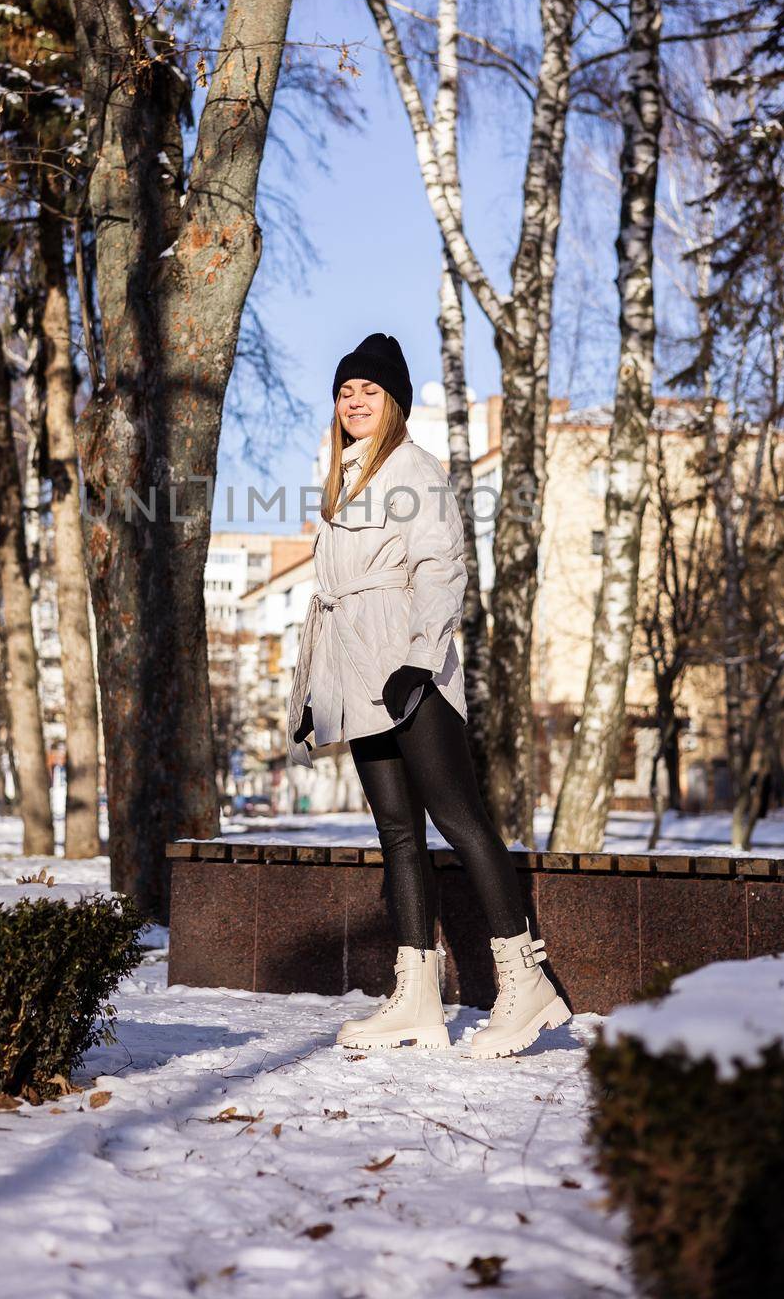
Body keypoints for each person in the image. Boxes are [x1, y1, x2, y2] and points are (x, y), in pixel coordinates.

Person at [286, 332, 571, 1058]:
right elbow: (336, 602)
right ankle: (416, 1000)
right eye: (345, 390)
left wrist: (418, 660)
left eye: (368, 390)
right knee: (397, 833)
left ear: (395, 404)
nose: (353, 399)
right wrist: (315, 698)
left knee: (458, 819)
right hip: (357, 677)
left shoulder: (413, 469)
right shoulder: (345, 482)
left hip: (407, 676)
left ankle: (526, 980)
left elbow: (442, 567)